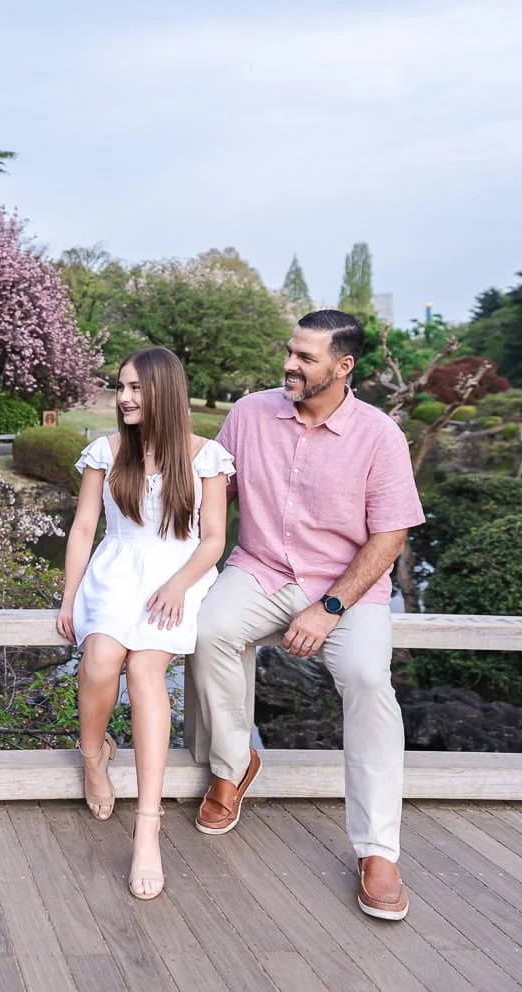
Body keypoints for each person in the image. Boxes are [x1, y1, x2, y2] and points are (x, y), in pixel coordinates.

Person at [190, 309, 424, 921]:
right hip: (260, 569)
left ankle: (377, 850)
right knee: (210, 630)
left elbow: (390, 537)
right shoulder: (248, 414)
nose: (290, 365)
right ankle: (234, 766)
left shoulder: (380, 436)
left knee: (370, 680)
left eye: (306, 358)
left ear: (343, 367)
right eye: (290, 352)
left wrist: (329, 607)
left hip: (346, 588)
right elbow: (215, 496)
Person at [57, 347, 234, 899]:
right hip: (116, 568)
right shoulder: (106, 452)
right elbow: (84, 528)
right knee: (102, 658)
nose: (125, 398)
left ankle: (148, 830)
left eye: (136, 388)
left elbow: (213, 540)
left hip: (178, 573)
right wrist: (68, 597)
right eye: (121, 387)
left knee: (145, 672)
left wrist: (178, 584)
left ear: (164, 392)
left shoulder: (206, 457)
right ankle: (93, 756)